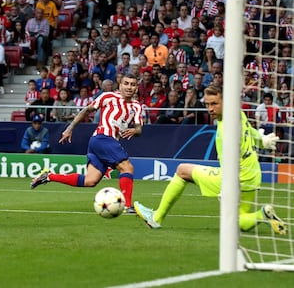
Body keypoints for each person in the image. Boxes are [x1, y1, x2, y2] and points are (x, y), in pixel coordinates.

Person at [134, 84, 287, 235]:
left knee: (182, 170)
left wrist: (227, 187)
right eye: (207, 104)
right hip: (252, 176)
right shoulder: (238, 114)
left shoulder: (224, 131)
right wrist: (262, 140)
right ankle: (262, 215)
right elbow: (251, 131)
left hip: (236, 179)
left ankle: (156, 217)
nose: (210, 109)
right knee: (238, 221)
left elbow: (230, 162)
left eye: (214, 104)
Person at [30, 74, 143, 214]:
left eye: (133, 84)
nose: (129, 87)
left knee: (90, 181)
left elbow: (139, 129)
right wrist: (69, 129)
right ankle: (127, 206)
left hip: (103, 143)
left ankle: (48, 176)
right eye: (126, 83)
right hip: (103, 138)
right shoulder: (108, 97)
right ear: (120, 85)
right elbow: (86, 110)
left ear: (136, 88)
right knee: (127, 168)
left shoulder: (137, 106)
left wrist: (135, 130)